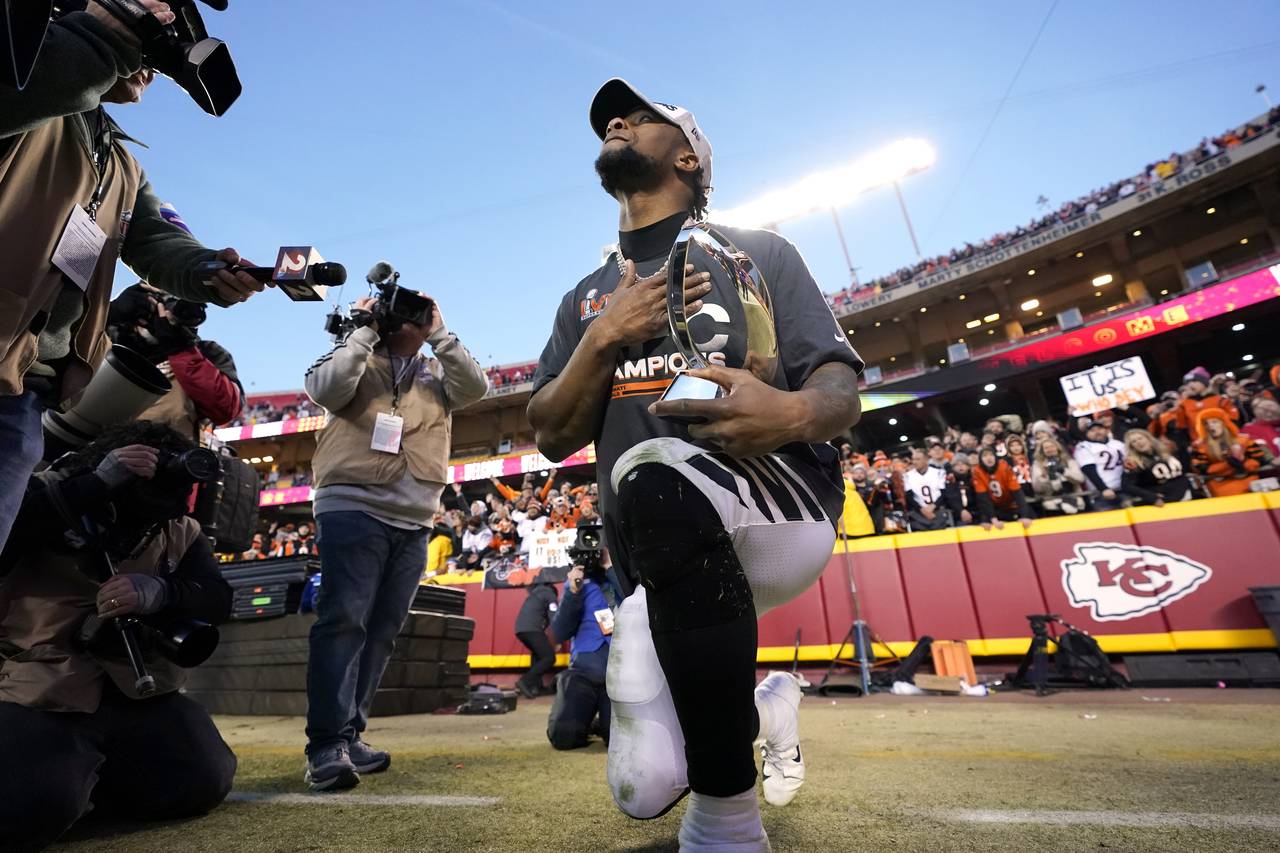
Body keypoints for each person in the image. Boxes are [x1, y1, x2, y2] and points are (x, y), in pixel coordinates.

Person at [527, 79, 862, 849]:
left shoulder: (762, 251)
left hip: (780, 504)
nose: (615, 120)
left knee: (655, 474)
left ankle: (729, 822)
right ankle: (766, 711)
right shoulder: (585, 298)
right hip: (652, 545)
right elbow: (548, 431)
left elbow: (840, 384)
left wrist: (790, 411)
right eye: (611, 117)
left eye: (639, 116)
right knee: (643, 787)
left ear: (687, 156)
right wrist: (604, 336)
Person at [0, 0, 267, 554]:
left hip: (23, 390)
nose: (157, 45)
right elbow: (26, 89)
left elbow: (157, 239)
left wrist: (210, 270)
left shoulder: (120, 160)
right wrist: (101, 41)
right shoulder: (28, 79)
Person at [0, 421, 235, 849]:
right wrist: (93, 486)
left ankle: (90, 783)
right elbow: (9, 536)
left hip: (135, 687)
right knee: (29, 805)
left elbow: (217, 598)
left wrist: (163, 592)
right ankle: (67, 785)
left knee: (202, 778)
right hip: (37, 688)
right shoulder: (41, 495)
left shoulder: (177, 528)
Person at [300, 291, 487, 791]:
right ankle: (326, 744)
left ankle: (349, 732)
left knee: (381, 630)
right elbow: (323, 386)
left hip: (415, 515)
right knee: (344, 621)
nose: (410, 318)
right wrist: (365, 327)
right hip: (352, 503)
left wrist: (440, 332)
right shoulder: (354, 352)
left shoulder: (435, 369)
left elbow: (476, 387)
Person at [545, 561, 622, 749]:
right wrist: (573, 591)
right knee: (564, 736)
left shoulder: (622, 574)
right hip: (583, 671)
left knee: (619, 742)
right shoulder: (577, 581)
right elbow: (560, 632)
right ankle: (590, 721)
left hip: (620, 673)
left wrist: (610, 567)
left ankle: (599, 723)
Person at [1190, 408, 1267, 497]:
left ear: (1224, 423)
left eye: (1214, 422)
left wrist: (1243, 464)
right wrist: (1228, 465)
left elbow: (1259, 459)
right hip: (1220, 486)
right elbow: (1202, 469)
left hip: (1249, 481)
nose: (1210, 426)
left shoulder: (1244, 440)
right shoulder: (1200, 447)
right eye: (1206, 423)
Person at [1120, 429, 1195, 505]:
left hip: (1187, 494)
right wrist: (1152, 497)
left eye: (1140, 438)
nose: (1139, 442)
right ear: (1131, 446)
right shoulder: (1133, 462)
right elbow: (1127, 486)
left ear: (1148, 438)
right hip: (1163, 501)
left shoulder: (1167, 450)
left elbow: (1184, 469)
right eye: (1134, 441)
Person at [514, 580, 560, 699]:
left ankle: (536, 687)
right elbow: (554, 617)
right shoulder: (550, 594)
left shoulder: (535, 594)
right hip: (532, 629)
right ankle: (525, 681)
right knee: (549, 658)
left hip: (520, 629)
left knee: (538, 655)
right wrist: (558, 640)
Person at [973, 447, 1033, 528]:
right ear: (981, 460)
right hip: (995, 506)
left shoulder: (1004, 467)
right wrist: (993, 518)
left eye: (991, 455)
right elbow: (983, 498)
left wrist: (1025, 516)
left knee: (1030, 515)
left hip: (1011, 503)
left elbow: (1018, 493)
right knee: (984, 522)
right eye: (985, 456)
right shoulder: (977, 471)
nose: (989, 458)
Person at [1073, 419, 1127, 510]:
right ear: (1087, 434)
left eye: (1099, 429)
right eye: (1092, 430)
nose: (1097, 432)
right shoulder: (1084, 447)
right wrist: (1103, 489)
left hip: (1125, 489)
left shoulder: (1118, 444)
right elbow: (1089, 469)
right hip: (1103, 493)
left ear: (1106, 430)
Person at [1029, 437, 1087, 515]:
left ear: (1057, 447)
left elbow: (1080, 479)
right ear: (1042, 451)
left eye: (1052, 446)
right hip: (1052, 503)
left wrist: (1064, 471)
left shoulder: (1069, 461)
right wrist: (1046, 476)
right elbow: (1037, 488)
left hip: (1074, 499)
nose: (1050, 449)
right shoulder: (1038, 465)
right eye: (1046, 448)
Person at [903, 447, 951, 531]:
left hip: (938, 511)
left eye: (918, 459)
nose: (914, 462)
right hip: (918, 513)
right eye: (913, 459)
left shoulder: (939, 472)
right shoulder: (907, 476)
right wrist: (922, 510)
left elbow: (944, 493)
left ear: (926, 459)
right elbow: (909, 496)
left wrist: (933, 506)